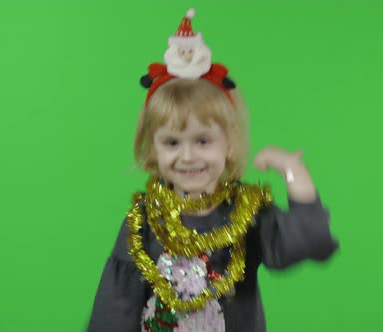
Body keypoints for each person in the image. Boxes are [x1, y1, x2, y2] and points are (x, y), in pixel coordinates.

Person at [87, 8, 339, 332]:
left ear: (229, 144)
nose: (188, 156)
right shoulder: (145, 219)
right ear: (153, 147)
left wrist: (293, 170)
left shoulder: (247, 213)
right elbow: (116, 303)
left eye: (203, 140)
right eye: (172, 143)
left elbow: (307, 242)